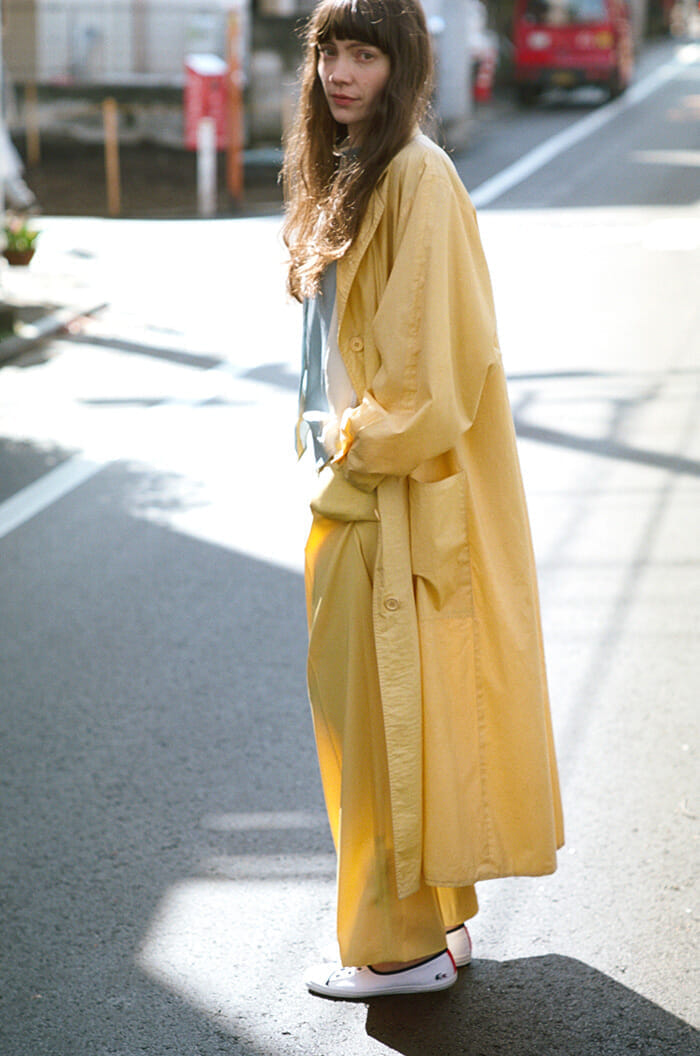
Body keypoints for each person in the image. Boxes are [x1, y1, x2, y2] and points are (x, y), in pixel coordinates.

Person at [282, 0, 564, 1000]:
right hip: (369, 490)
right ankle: (435, 926)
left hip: (383, 496)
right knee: (403, 719)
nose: (340, 71)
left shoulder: (414, 174)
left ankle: (397, 951)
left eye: (364, 53)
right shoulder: (358, 167)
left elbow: (427, 380)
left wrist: (350, 461)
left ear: (403, 67)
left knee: (377, 731)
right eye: (329, 50)